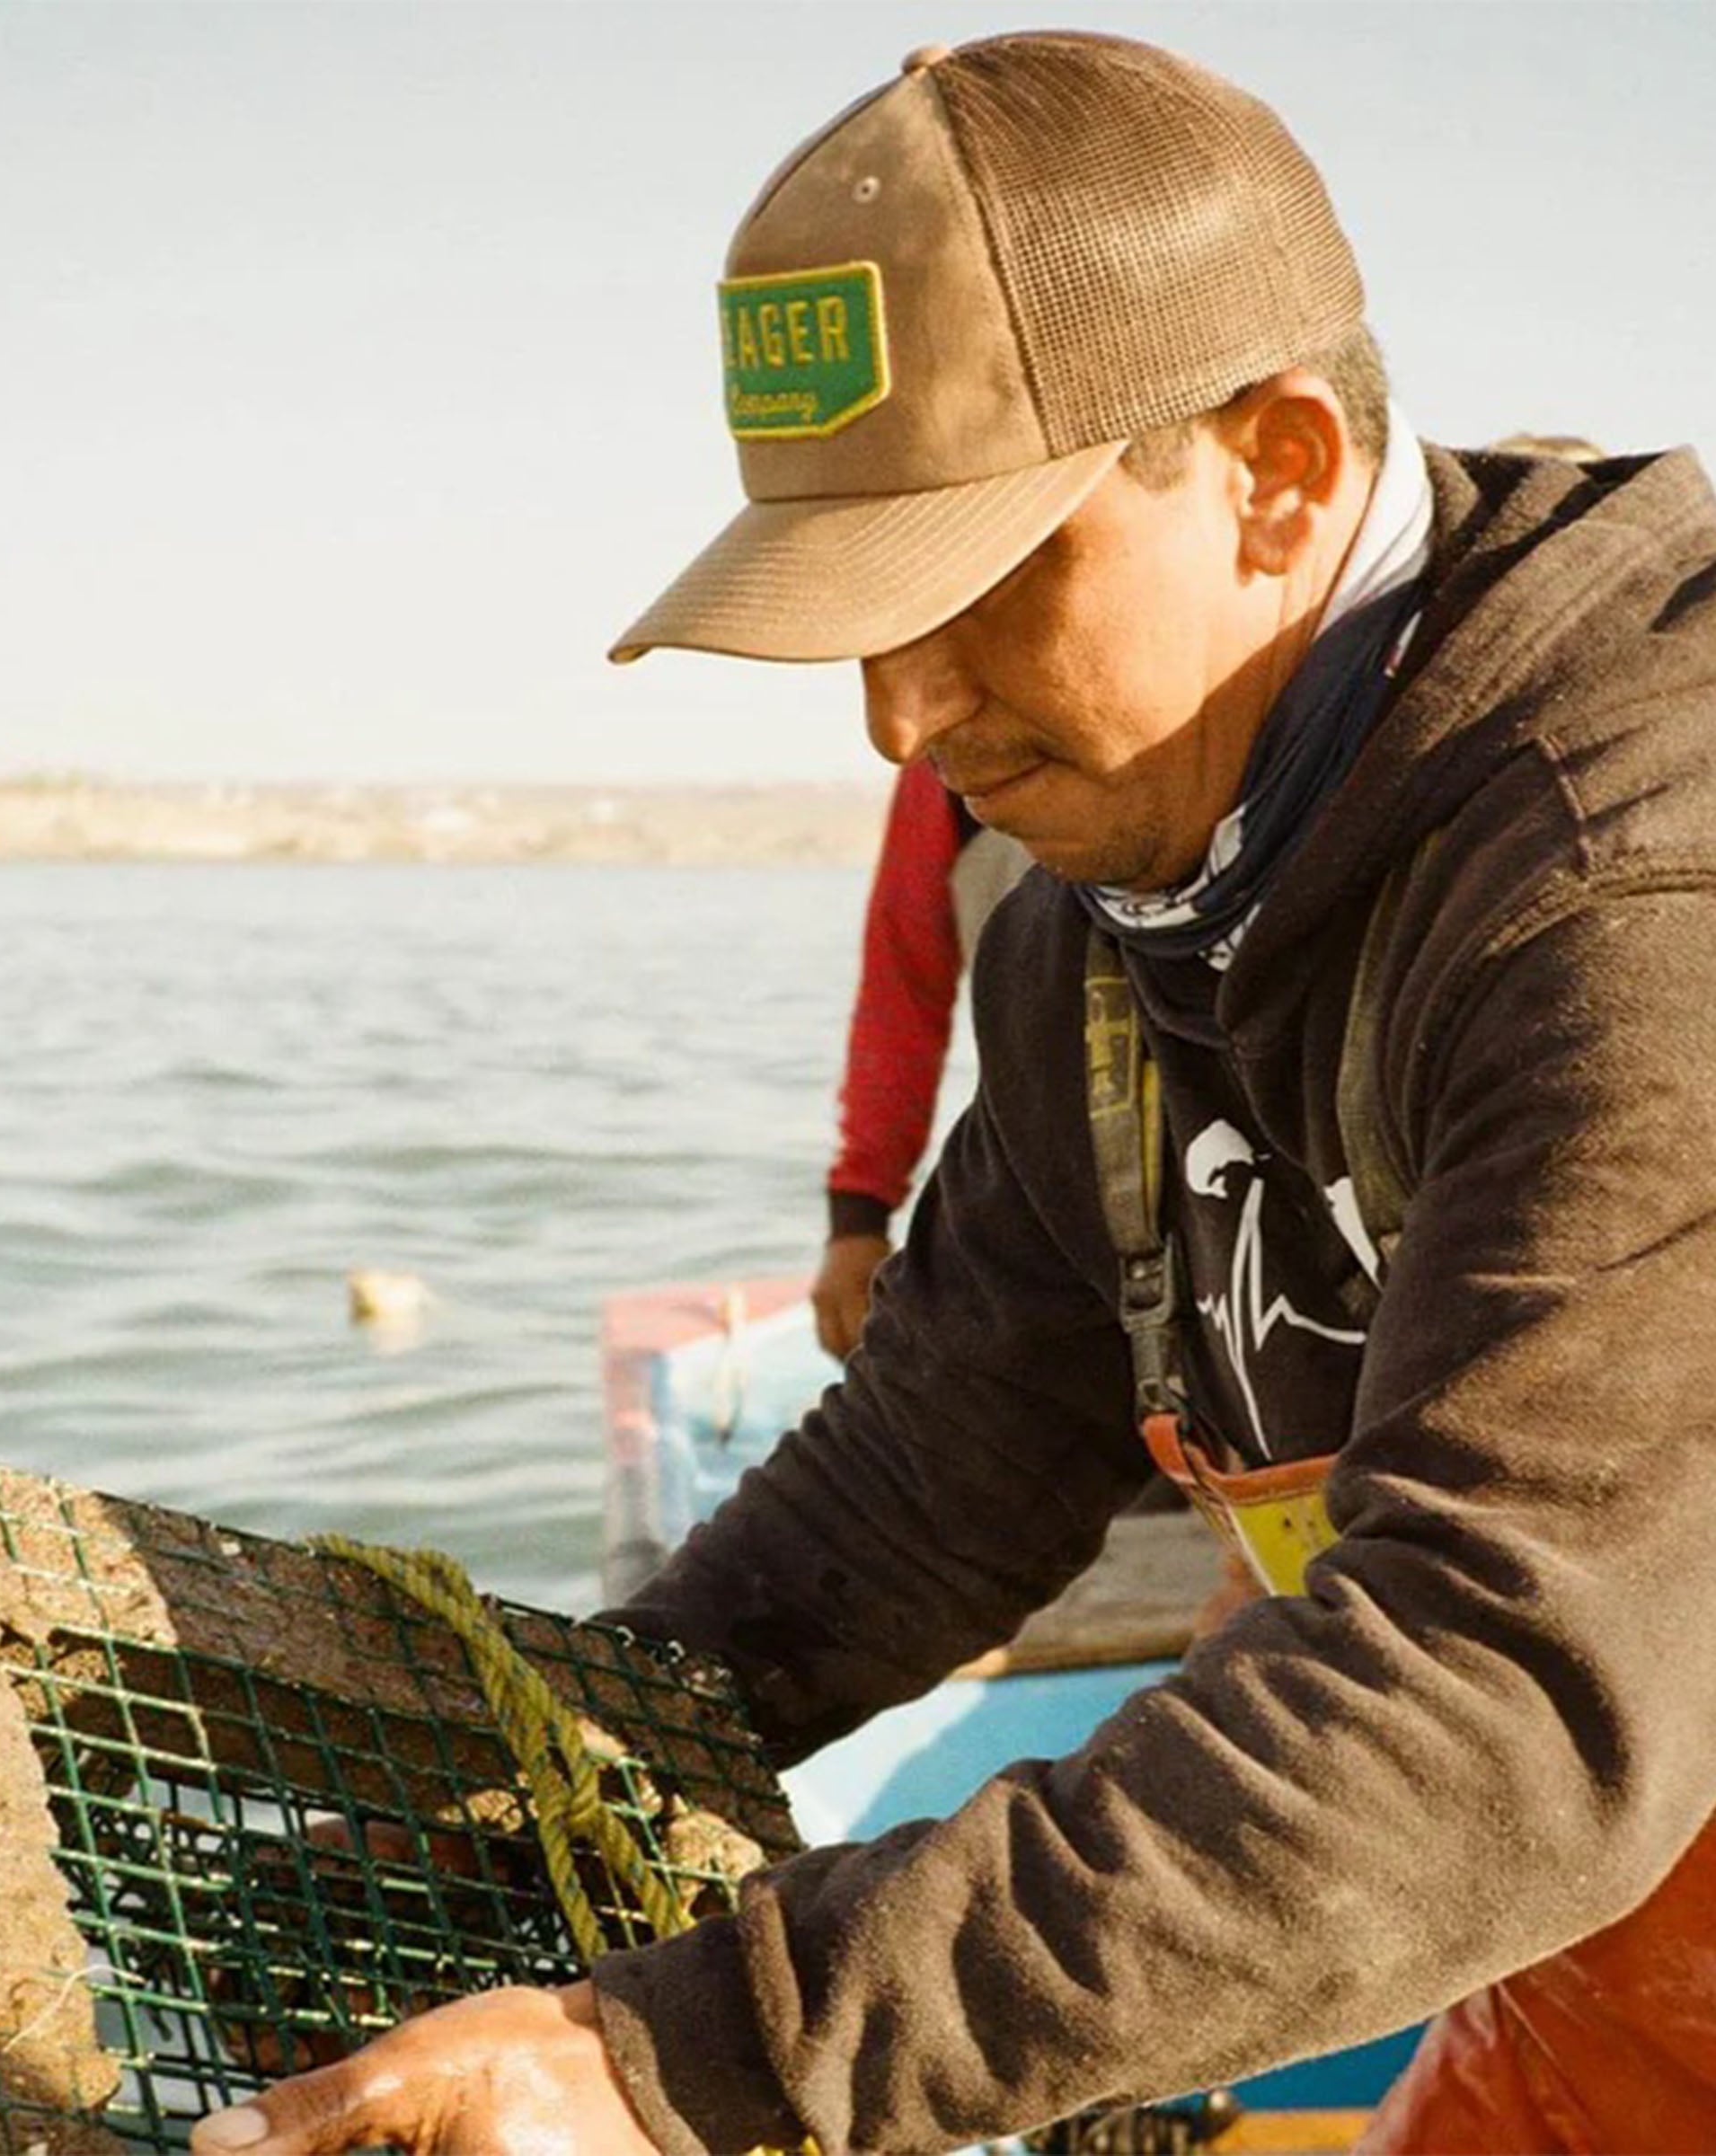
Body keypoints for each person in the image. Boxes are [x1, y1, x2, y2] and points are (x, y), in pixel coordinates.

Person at [194, 31, 1716, 2156]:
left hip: (1559, 1809)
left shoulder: (1631, 879)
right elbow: (940, 1464)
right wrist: (535, 1749)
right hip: (1572, 1992)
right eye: (857, 612)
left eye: (975, 585)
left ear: (1275, 466)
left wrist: (682, 2054)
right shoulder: (1105, 920)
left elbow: (1508, 1694)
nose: (897, 713)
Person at [813, 759, 1029, 1358]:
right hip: (1034, 1197)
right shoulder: (939, 760)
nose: (891, 727)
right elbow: (902, 995)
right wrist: (859, 1214)